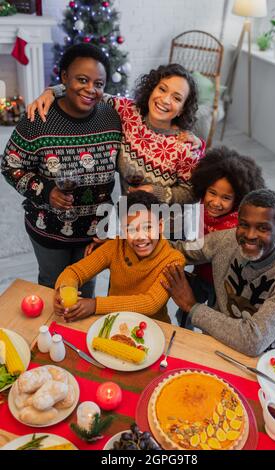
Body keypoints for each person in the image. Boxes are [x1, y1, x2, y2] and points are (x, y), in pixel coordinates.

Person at [1, 44, 122, 297]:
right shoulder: (38, 119)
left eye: (98, 83)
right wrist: (46, 191)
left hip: (95, 230)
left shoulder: (113, 117)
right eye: (82, 79)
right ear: (64, 77)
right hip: (49, 229)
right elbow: (9, 164)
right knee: (51, 287)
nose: (90, 89)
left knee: (85, 288)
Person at [27, 63, 206, 206]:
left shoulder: (186, 146)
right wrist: (52, 91)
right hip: (129, 218)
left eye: (176, 98)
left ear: (183, 109)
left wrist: (156, 192)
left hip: (165, 228)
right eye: (162, 89)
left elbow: (192, 193)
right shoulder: (128, 111)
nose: (165, 100)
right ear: (152, 89)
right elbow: (89, 92)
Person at [163, 189, 275, 356]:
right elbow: (181, 250)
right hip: (215, 342)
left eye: (263, 228)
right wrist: (141, 236)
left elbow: (253, 341)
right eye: (244, 224)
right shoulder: (226, 240)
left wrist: (192, 307)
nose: (250, 235)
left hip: (264, 358)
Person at [54, 191, 185, 323]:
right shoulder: (116, 245)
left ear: (160, 226)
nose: (140, 237)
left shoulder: (173, 259)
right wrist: (63, 291)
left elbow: (151, 303)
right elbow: (75, 272)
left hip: (154, 327)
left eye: (148, 227)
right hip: (114, 320)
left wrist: (95, 305)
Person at [189, 147, 275, 298]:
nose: (215, 203)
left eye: (226, 198)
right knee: (184, 313)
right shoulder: (202, 202)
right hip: (199, 270)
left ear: (239, 198)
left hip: (225, 278)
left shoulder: (242, 221)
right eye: (212, 193)